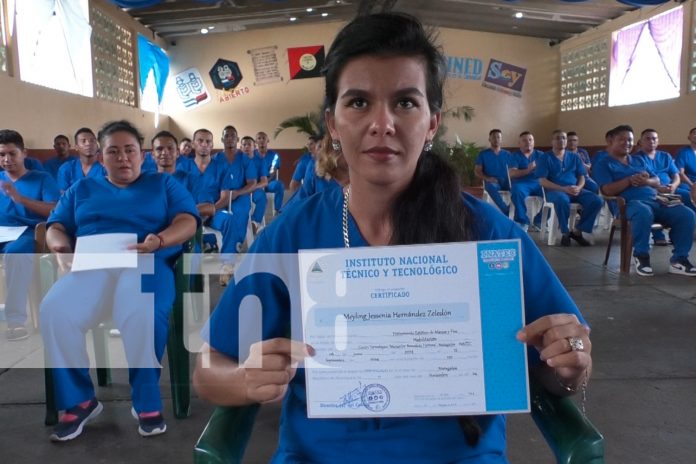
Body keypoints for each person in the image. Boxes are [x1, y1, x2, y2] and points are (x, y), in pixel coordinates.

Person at [193, 13, 592, 463]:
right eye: (359, 102)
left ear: (433, 123)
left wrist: (571, 361)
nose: (382, 123)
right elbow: (209, 370)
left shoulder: (487, 235)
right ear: (332, 123)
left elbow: (561, 376)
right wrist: (246, 379)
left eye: (405, 103)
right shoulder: (295, 232)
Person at [40, 120, 199, 441]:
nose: (123, 158)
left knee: (141, 308)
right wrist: (60, 248)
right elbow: (55, 224)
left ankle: (146, 399)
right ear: (102, 158)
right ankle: (80, 399)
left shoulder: (163, 185)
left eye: (129, 150)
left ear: (142, 155)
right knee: (54, 309)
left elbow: (188, 221)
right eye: (113, 151)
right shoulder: (82, 189)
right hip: (91, 269)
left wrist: (161, 240)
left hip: (146, 263)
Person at [592, 125, 696, 277]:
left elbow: (656, 179)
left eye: (630, 140)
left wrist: (646, 182)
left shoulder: (638, 159)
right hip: (628, 205)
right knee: (642, 211)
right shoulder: (603, 163)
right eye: (622, 139)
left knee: (686, 214)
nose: (627, 143)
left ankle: (679, 260)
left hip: (655, 200)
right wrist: (629, 180)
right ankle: (641, 255)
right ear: (610, 141)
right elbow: (606, 190)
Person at [0, 129, 60, 341]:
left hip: (27, 235)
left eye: (12, 154)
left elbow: (54, 210)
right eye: (1, 155)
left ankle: (15, 321)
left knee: (16, 254)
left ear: (24, 153)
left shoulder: (42, 179)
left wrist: (21, 199)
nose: (6, 160)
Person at [536, 130, 603, 247]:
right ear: (552, 141)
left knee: (597, 200)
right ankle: (565, 232)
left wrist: (578, 187)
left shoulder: (574, 157)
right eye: (557, 138)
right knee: (562, 200)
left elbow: (582, 176)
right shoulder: (545, 157)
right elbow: (542, 181)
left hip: (574, 190)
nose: (561, 140)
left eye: (563, 138)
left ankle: (578, 231)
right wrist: (563, 188)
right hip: (555, 191)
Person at [634, 129, 690, 245]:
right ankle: (658, 235)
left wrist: (673, 185)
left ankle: (679, 233)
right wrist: (658, 189)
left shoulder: (665, 156)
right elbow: (643, 180)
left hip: (670, 189)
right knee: (657, 201)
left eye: (654, 138)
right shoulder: (636, 158)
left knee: (688, 197)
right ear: (641, 141)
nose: (651, 141)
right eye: (648, 138)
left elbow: (676, 175)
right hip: (651, 191)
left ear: (658, 141)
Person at [282, 134, 349, 211]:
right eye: (320, 147)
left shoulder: (351, 168)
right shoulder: (311, 164)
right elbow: (296, 187)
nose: (324, 150)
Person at [508, 131, 543, 231]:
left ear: (534, 142)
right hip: (521, 183)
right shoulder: (514, 156)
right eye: (524, 140)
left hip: (539, 183)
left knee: (554, 193)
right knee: (517, 191)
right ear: (519, 143)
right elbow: (512, 173)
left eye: (530, 140)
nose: (528, 142)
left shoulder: (541, 155)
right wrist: (528, 170)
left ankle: (539, 220)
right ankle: (522, 221)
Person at [475, 129, 512, 216]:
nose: (496, 139)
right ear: (489, 139)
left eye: (498, 137)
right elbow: (477, 171)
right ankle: (506, 211)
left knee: (519, 188)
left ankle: (516, 213)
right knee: (490, 186)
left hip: (507, 181)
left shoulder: (508, 154)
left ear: (501, 139)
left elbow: (513, 169)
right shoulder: (483, 154)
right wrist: (488, 178)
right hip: (492, 181)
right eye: (494, 137)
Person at [57, 127, 106, 192]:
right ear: (76, 147)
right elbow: (63, 196)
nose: (88, 143)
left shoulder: (106, 168)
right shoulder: (66, 168)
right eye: (83, 141)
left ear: (97, 146)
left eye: (92, 140)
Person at [255, 131, 285, 214]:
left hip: (269, 183)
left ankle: (277, 210)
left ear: (268, 140)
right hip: (255, 184)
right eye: (259, 138)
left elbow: (272, 171)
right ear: (256, 141)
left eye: (264, 138)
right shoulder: (252, 155)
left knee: (279, 185)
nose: (261, 140)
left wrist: (264, 183)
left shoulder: (274, 155)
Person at [675, 127, 696, 195]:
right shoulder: (683, 152)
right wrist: (692, 186)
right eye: (695, 133)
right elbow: (680, 173)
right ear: (689, 137)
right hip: (688, 183)